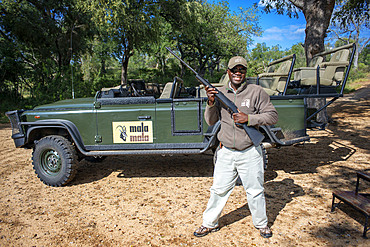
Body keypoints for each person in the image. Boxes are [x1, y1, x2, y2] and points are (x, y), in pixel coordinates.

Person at [194, 56, 278, 238]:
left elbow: (272, 116)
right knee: (218, 190)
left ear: (245, 72)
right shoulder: (220, 93)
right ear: (228, 72)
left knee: (255, 191)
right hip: (225, 152)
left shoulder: (256, 91)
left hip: (250, 152)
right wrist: (210, 102)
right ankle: (209, 224)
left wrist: (249, 119)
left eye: (242, 70)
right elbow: (210, 121)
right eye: (234, 70)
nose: (238, 73)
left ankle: (262, 224)